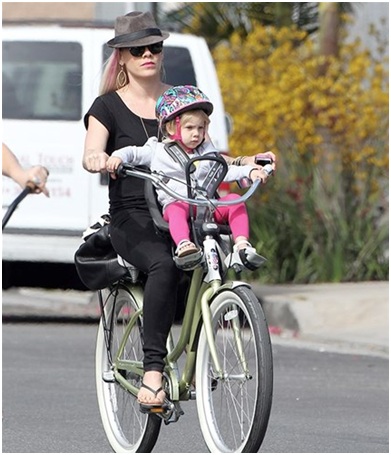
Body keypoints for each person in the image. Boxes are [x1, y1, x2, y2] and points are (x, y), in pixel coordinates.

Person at [82, 11, 275, 411]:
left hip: (187, 207)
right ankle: (153, 372)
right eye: (138, 50)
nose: (148, 54)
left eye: (154, 46)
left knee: (211, 258)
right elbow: (90, 152)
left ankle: (202, 350)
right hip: (133, 214)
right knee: (164, 264)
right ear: (122, 57)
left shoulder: (182, 99)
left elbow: (208, 153)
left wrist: (247, 162)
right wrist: (101, 159)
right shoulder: (107, 106)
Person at [107, 85, 274, 268]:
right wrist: (117, 158)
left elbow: (223, 170)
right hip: (179, 203)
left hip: (206, 207)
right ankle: (184, 245)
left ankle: (241, 245)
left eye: (201, 128)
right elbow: (133, 153)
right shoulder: (157, 150)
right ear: (171, 127)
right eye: (189, 128)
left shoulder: (206, 152)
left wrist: (249, 171)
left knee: (235, 200)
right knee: (175, 209)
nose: (196, 133)